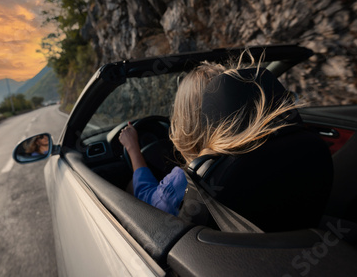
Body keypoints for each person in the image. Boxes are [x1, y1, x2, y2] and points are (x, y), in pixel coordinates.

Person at [119, 55, 299, 216]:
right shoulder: (289, 146)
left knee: (130, 186)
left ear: (188, 121)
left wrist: (133, 149)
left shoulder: (191, 180)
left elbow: (147, 202)